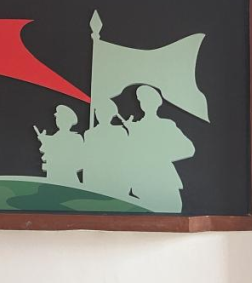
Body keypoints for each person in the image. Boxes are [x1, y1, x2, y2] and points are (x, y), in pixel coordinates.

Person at [123, 85, 195, 213]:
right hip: (141, 181)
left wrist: (160, 155)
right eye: (142, 100)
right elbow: (130, 153)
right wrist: (131, 132)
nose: (144, 103)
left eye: (148, 100)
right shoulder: (136, 127)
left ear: (156, 103)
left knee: (171, 214)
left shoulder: (166, 125)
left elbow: (188, 149)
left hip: (165, 178)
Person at [82, 98, 130, 198]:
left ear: (111, 114)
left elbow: (125, 154)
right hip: (95, 173)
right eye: (99, 112)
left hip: (115, 172)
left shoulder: (120, 132)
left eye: (106, 112)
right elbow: (87, 156)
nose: (101, 115)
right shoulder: (89, 134)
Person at [34, 105, 84, 184]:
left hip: (68, 176)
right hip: (52, 175)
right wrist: (44, 139)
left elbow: (80, 160)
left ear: (68, 121)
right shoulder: (54, 137)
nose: (58, 120)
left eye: (62, 118)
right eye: (58, 118)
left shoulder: (76, 138)